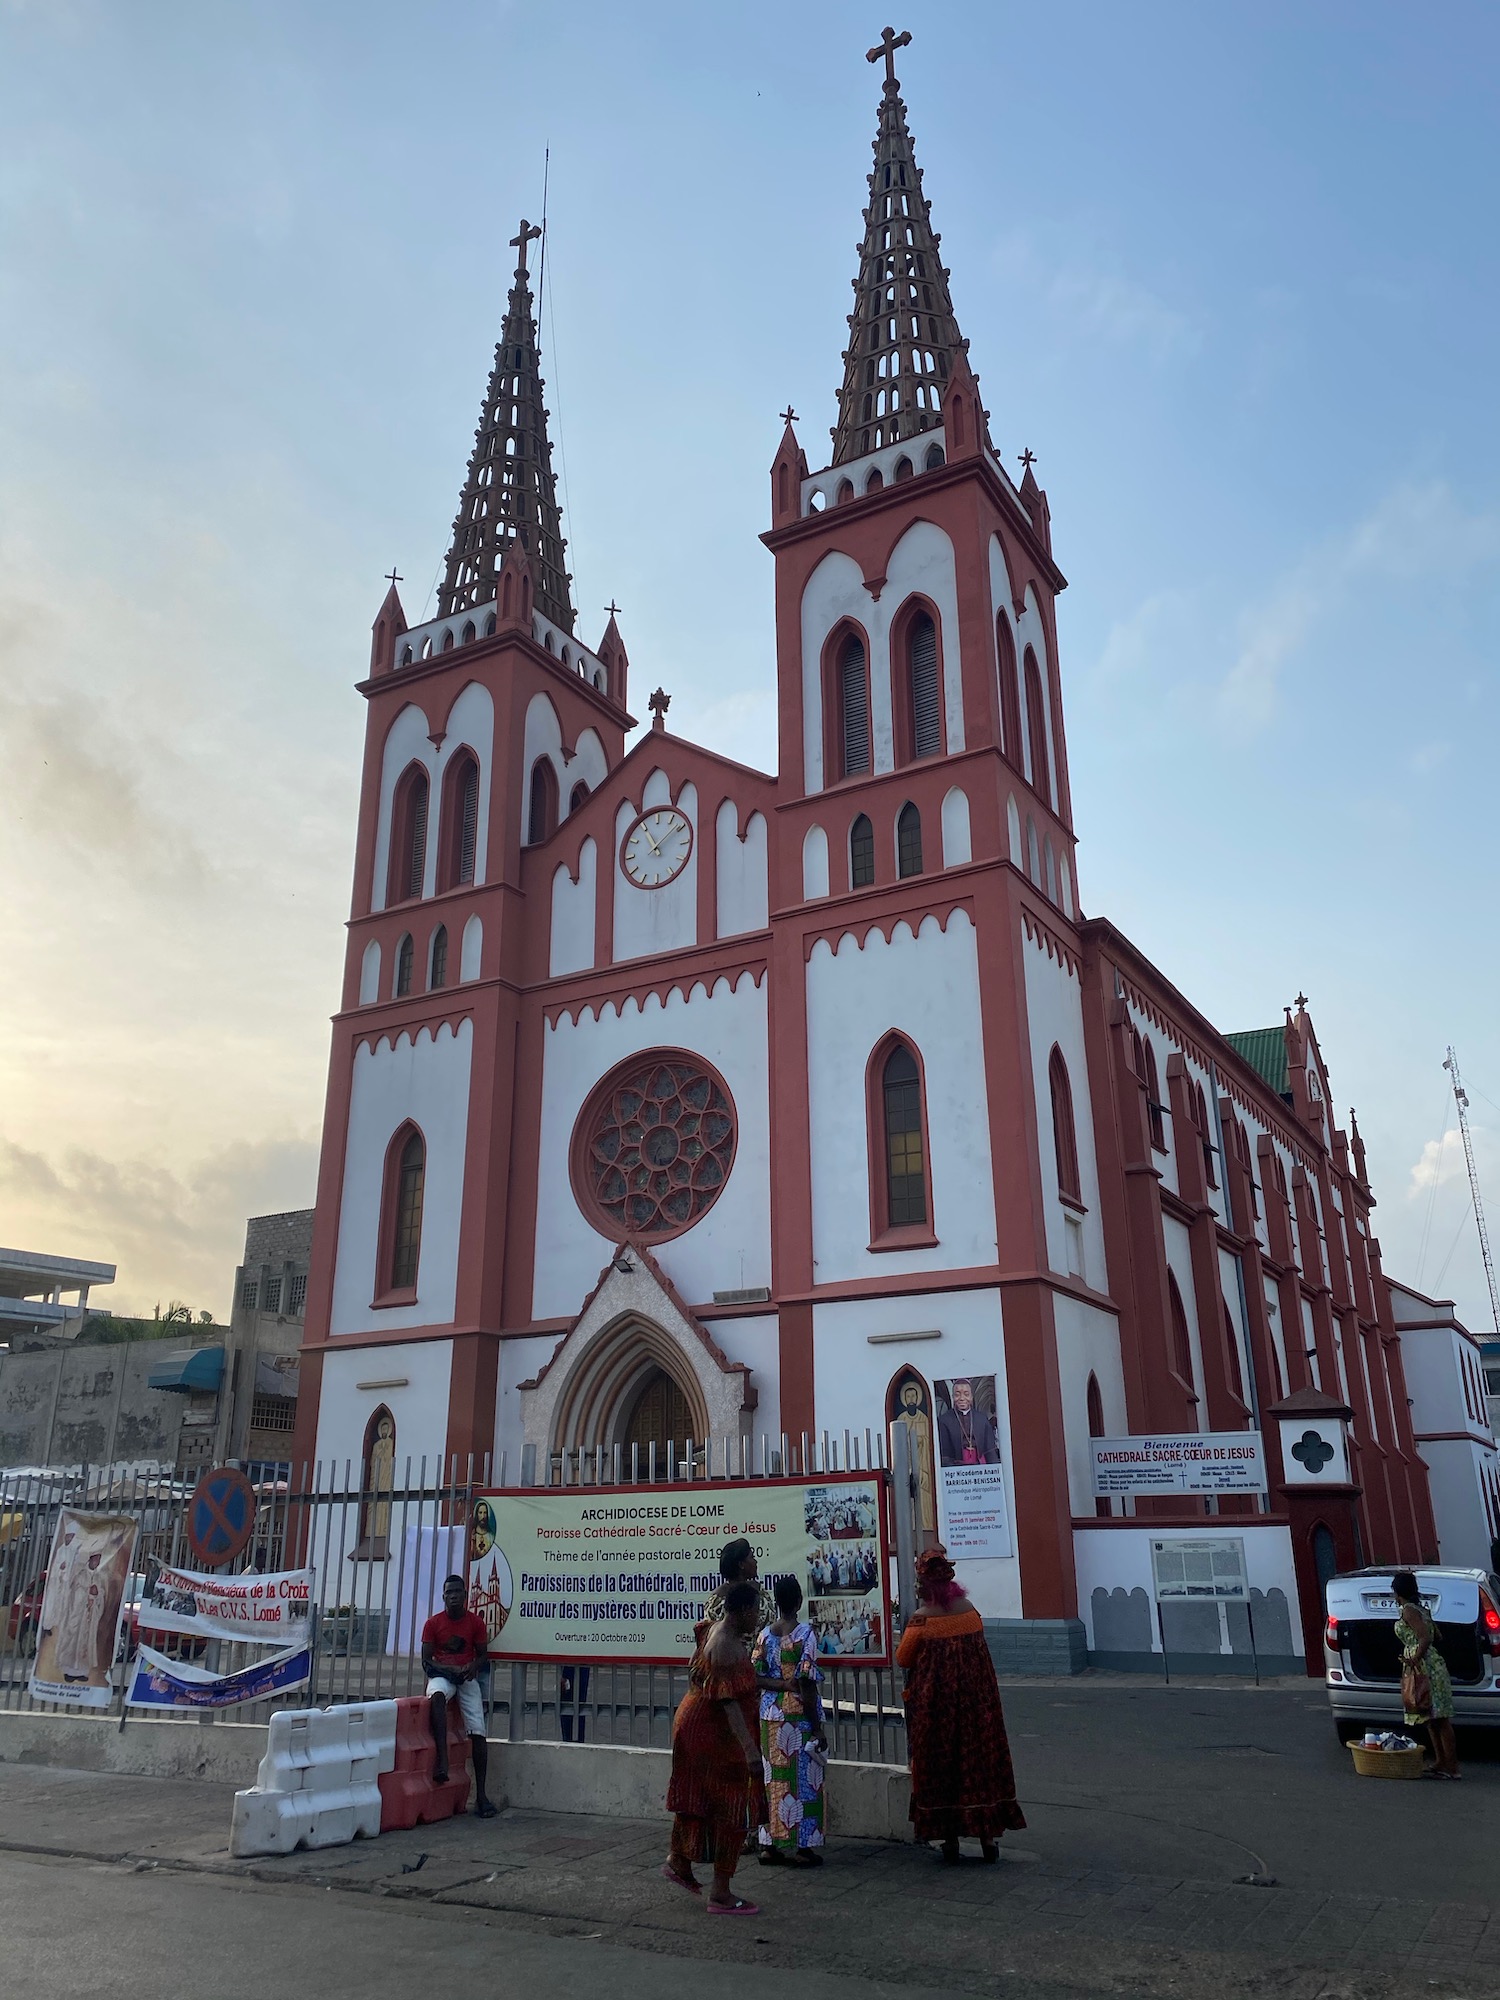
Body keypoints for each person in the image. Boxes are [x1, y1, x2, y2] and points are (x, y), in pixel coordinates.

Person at [896, 1545, 1026, 1862]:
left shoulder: (922, 1620)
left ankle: (951, 1841)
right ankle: (988, 1840)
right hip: (976, 1708)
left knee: (943, 1769)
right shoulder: (970, 1611)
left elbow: (903, 1658)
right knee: (978, 1768)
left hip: (937, 1710)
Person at [662, 1579, 768, 1914]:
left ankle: (679, 1861)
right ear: (746, 1611)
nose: (758, 1617)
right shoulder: (725, 1645)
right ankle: (721, 1893)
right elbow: (729, 1703)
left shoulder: (719, 1631)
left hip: (696, 1726)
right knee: (734, 1805)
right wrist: (750, 1751)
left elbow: (741, 1683)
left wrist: (780, 1684)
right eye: (756, 1611)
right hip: (711, 1732)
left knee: (702, 1799)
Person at [753, 1575, 827, 1868]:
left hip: (769, 1715)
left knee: (773, 1782)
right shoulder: (805, 1635)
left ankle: (769, 1845)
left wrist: (778, 1686)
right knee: (803, 1783)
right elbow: (807, 1682)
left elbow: (754, 1676)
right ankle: (802, 1846)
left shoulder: (763, 1635)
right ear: (798, 1601)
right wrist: (818, 1726)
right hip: (798, 1718)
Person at [420, 1574, 498, 1816]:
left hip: (466, 1678)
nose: (453, 1596)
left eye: (458, 1592)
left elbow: (483, 1655)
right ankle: (442, 1761)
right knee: (437, 1696)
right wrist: (450, 1670)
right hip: (443, 1674)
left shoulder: (475, 1623)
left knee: (478, 1729)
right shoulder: (433, 1623)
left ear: (465, 1596)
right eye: (449, 1593)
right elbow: (426, 1661)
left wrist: (471, 1667)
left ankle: (481, 1796)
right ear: (443, 1596)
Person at [1391, 1568, 1459, 1779]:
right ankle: (1441, 1762)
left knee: (1440, 1717)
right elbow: (1436, 1634)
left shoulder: (1409, 1611)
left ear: (1397, 1592)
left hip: (1425, 1667)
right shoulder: (1422, 1609)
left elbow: (1425, 1638)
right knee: (1431, 1716)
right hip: (1431, 1663)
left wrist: (1415, 1657)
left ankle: (1452, 1765)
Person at [702, 1537, 774, 1630]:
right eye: (752, 1557)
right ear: (741, 1565)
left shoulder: (715, 1599)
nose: (755, 1561)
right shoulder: (760, 1595)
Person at [937, 1379, 1001, 1466]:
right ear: (953, 1397)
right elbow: (945, 1455)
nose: (962, 1398)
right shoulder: (944, 1420)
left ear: (971, 1397)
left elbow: (990, 1452)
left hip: (980, 1468)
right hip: (956, 1469)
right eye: (957, 1394)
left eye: (966, 1394)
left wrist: (995, 1472)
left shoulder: (982, 1419)